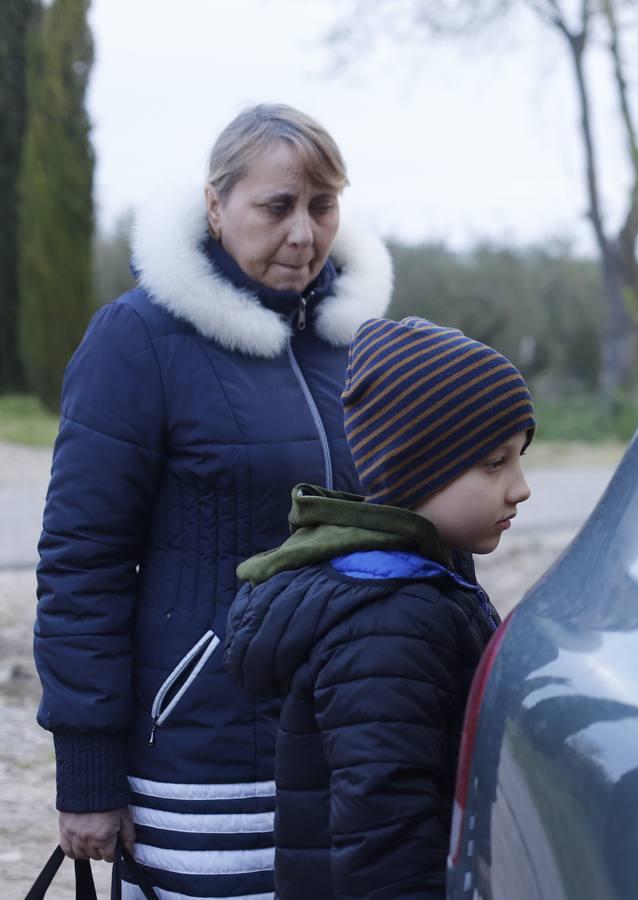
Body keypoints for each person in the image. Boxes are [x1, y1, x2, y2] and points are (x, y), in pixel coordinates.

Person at [33, 104, 392, 898]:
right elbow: (82, 562)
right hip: (200, 758)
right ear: (214, 205)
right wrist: (88, 771)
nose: (303, 234)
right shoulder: (139, 339)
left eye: (322, 206)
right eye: (277, 207)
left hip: (349, 748)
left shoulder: (361, 343)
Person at [225, 317, 533, 899]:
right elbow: (387, 836)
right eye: (494, 464)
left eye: (519, 458)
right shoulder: (390, 622)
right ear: (417, 470)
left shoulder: (423, 582)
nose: (520, 487)